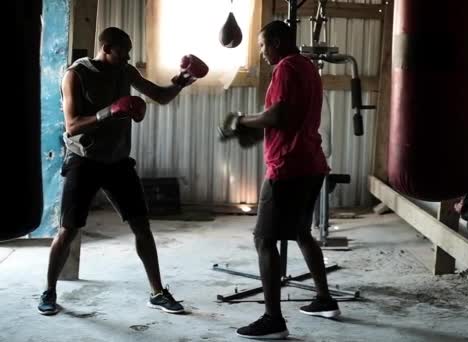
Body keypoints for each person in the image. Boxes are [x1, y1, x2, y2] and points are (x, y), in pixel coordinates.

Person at [37, 27, 207, 316]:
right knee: (68, 230)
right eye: (123, 52)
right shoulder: (75, 75)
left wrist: (180, 81)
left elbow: (159, 95)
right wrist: (110, 111)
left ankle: (157, 292)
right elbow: (72, 125)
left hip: (117, 161)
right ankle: (49, 291)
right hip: (84, 159)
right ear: (106, 48)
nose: (128, 57)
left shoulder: (125, 71)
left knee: (142, 226)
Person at [219, 20, 341, 339]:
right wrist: (257, 131)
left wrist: (242, 120)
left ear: (275, 42)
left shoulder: (286, 67)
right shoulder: (306, 67)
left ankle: (273, 320)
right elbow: (288, 118)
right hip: (311, 162)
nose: (261, 53)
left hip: (289, 167)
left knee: (264, 239)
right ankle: (325, 300)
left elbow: (279, 115)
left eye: (261, 46)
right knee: (302, 232)